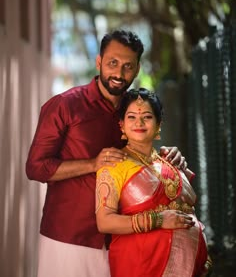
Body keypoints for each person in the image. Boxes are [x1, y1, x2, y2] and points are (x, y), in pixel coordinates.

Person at [26, 30, 187, 277]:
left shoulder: (132, 109)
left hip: (125, 237)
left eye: (128, 66)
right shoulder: (64, 105)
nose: (119, 74)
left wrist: (166, 157)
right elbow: (36, 167)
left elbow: (139, 154)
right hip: (70, 237)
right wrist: (93, 163)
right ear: (99, 61)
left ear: (136, 69)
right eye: (112, 63)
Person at [96, 88, 212, 277]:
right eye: (131, 117)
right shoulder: (114, 164)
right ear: (121, 125)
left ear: (159, 124)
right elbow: (104, 222)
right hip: (139, 264)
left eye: (147, 117)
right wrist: (158, 220)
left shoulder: (169, 160)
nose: (139, 123)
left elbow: (189, 205)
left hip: (190, 264)